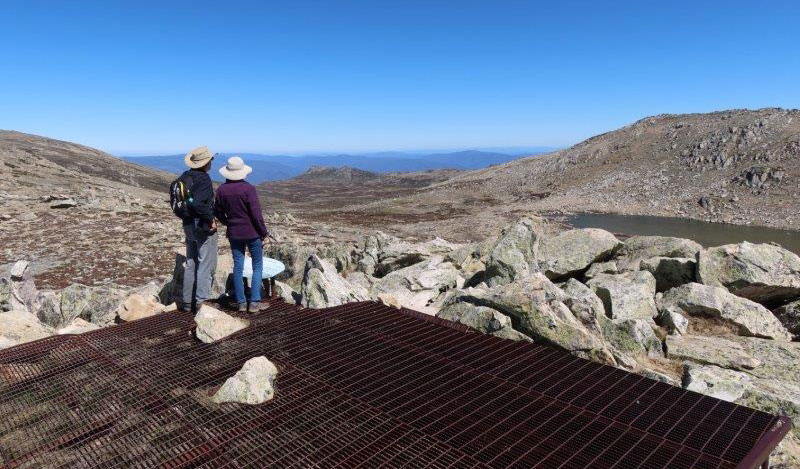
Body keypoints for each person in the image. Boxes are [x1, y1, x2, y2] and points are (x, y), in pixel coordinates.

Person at [214, 156, 271, 312]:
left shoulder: (221, 190)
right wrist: (263, 232)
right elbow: (256, 215)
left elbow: (217, 212)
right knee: (257, 266)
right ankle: (254, 303)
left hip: (234, 234)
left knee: (238, 267)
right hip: (252, 233)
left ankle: (240, 303)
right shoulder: (248, 189)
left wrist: (228, 223)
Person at [179, 146, 218, 313]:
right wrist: (210, 219)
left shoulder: (185, 176)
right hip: (202, 226)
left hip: (188, 224)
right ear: (206, 163)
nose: (212, 163)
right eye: (210, 160)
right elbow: (198, 203)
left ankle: (187, 302)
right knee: (205, 263)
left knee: (191, 262)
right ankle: (202, 302)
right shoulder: (203, 179)